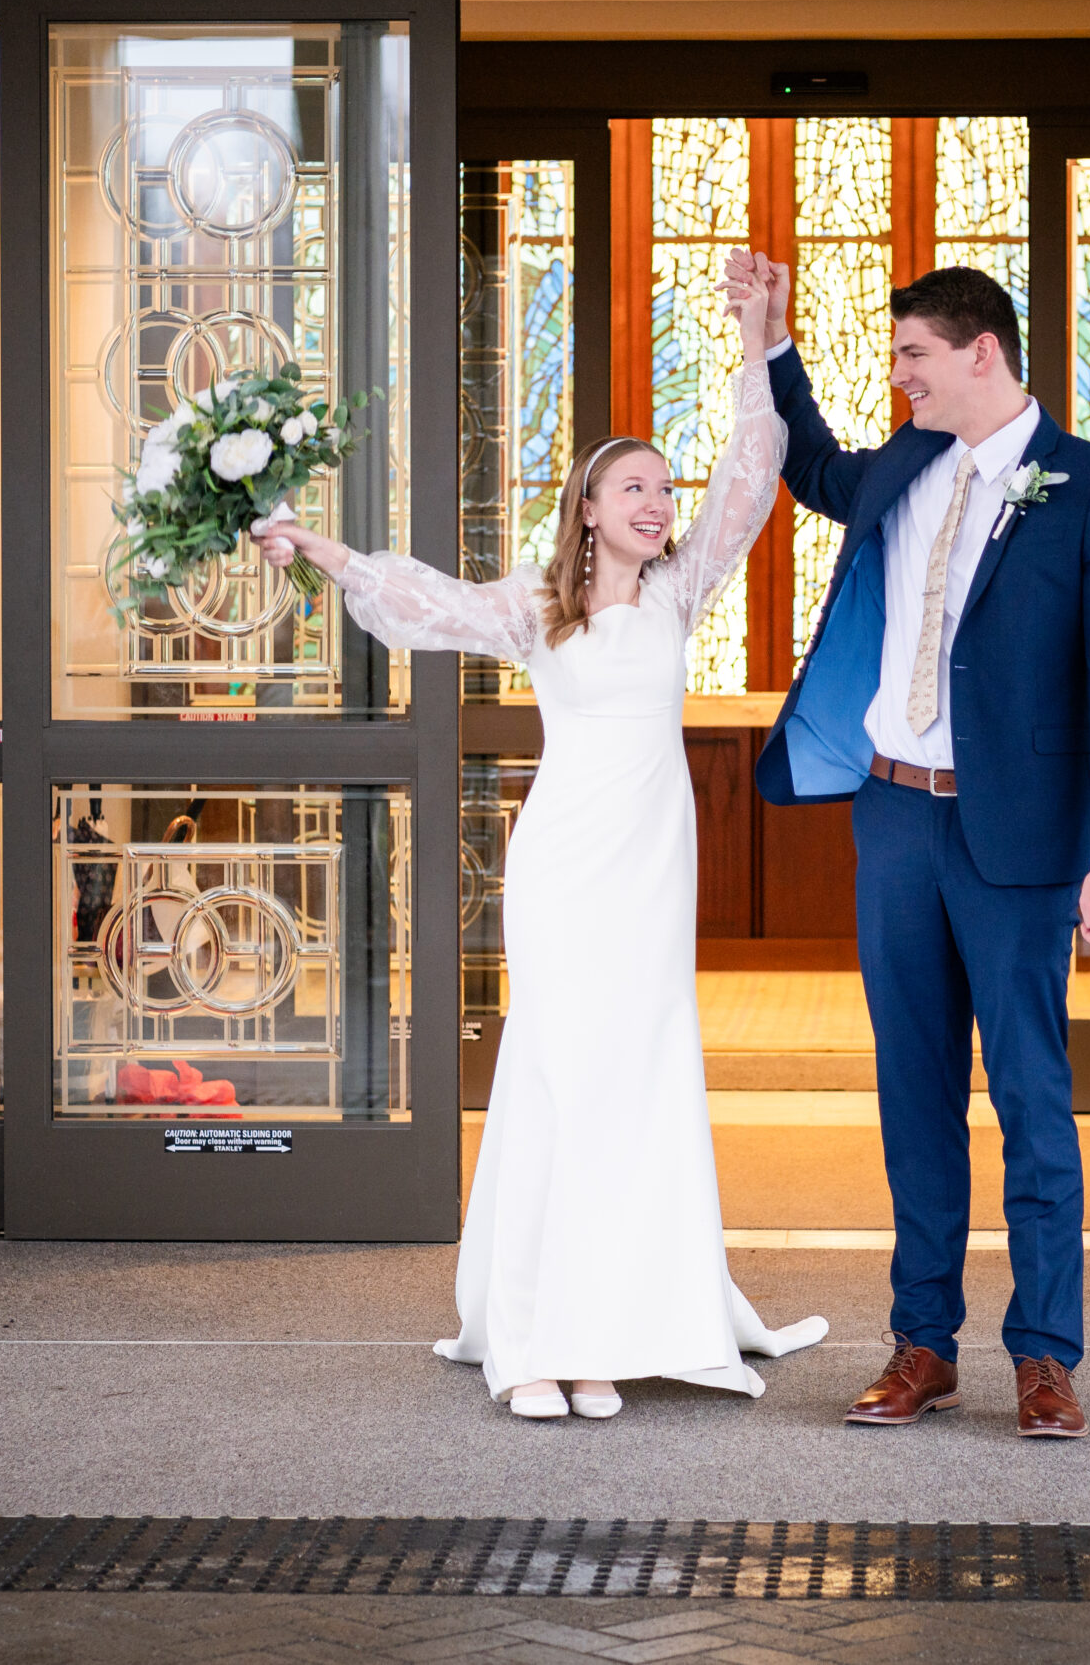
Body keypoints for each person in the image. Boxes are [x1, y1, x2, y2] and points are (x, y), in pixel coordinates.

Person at [251, 262, 826, 1421]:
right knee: (561, 1075)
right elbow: (420, 601)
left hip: (655, 869)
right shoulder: (535, 604)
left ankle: (606, 1329)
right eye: (632, 488)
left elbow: (754, 481)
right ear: (586, 507)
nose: (658, 504)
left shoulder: (680, 588)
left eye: (664, 488)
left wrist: (761, 344)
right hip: (565, 866)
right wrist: (320, 550)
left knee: (637, 1074)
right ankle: (534, 1340)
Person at [728, 254, 1090, 1439]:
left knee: (1031, 1096)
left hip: (1018, 839)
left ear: (981, 352)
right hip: (896, 820)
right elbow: (810, 461)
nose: (900, 375)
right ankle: (923, 1343)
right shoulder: (906, 465)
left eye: (914, 354)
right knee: (913, 1094)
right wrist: (771, 344)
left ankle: (1046, 1355)